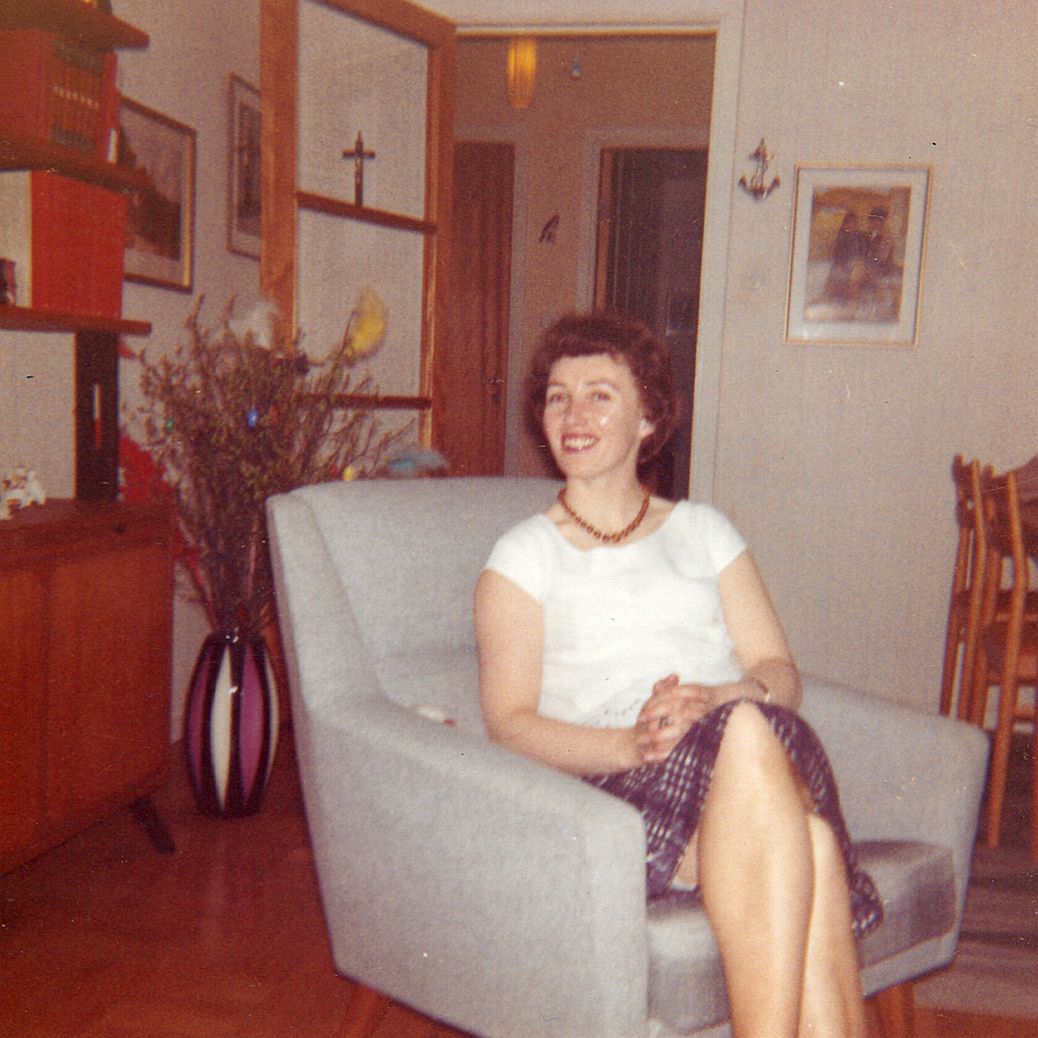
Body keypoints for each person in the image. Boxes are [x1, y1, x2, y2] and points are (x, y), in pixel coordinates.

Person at [474, 311, 882, 1038]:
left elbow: (779, 673)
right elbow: (508, 726)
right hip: (616, 788)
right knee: (810, 846)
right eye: (558, 397)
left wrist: (719, 696)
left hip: (741, 752)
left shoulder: (704, 531)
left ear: (649, 419)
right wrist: (633, 743)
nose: (573, 415)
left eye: (599, 395)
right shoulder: (524, 554)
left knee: (749, 723)